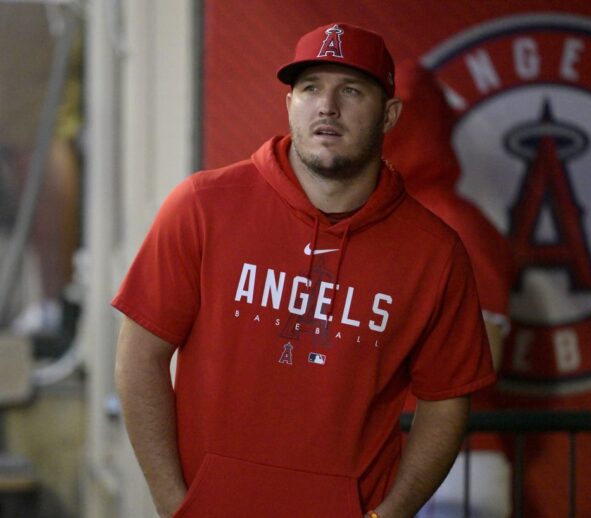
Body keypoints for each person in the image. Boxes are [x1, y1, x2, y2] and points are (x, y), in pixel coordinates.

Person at [113, 22, 496, 518]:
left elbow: (445, 400)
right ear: (289, 103)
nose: (327, 106)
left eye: (351, 90)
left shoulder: (435, 252)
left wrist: (392, 513)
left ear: (389, 115)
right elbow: (139, 358)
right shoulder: (202, 207)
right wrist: (174, 505)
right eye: (311, 87)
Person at [384, 61, 515, 518]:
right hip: (403, 464)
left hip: (451, 469)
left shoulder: (455, 226)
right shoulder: (383, 221)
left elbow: (485, 353)